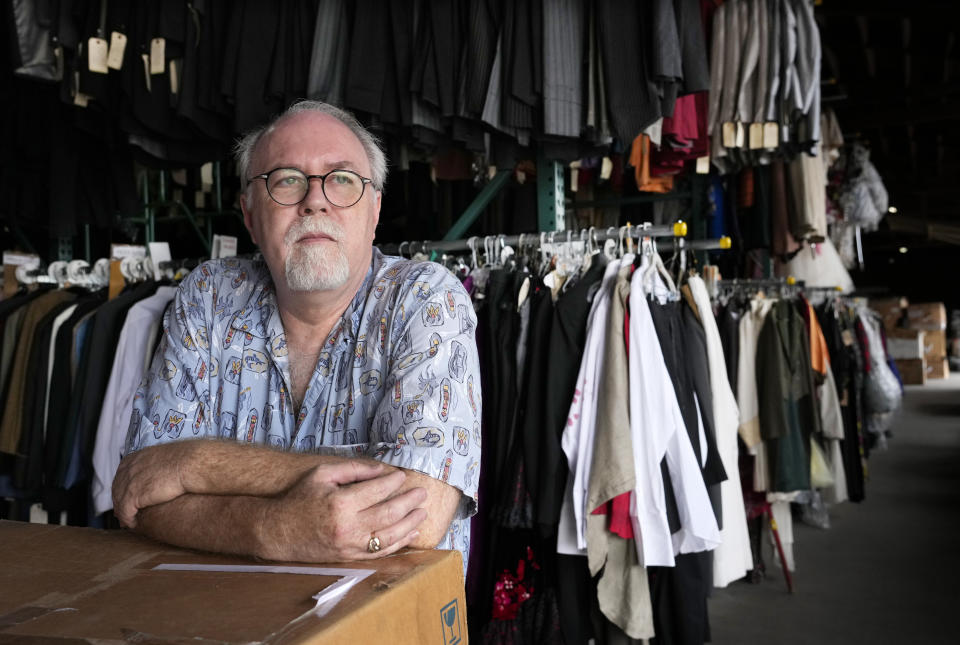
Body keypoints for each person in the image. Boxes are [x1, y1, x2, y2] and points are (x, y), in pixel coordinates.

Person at [112, 101, 481, 570]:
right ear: (249, 214)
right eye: (287, 179)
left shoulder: (426, 299)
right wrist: (271, 529)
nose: (315, 199)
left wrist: (193, 464)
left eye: (342, 179)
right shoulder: (207, 296)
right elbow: (140, 498)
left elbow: (418, 513)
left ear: (374, 211)